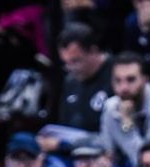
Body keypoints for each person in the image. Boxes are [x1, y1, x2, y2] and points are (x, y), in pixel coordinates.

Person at [37, 23, 113, 157]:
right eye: (66, 63)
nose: (71, 68)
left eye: (76, 61)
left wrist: (63, 144)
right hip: (73, 155)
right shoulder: (70, 81)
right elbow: (64, 125)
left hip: (105, 154)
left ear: (93, 51)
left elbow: (113, 137)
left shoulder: (118, 75)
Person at [100, 51, 150, 167]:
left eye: (130, 80)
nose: (123, 88)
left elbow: (145, 163)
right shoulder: (110, 107)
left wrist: (126, 124)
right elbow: (108, 154)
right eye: (117, 80)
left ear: (145, 79)